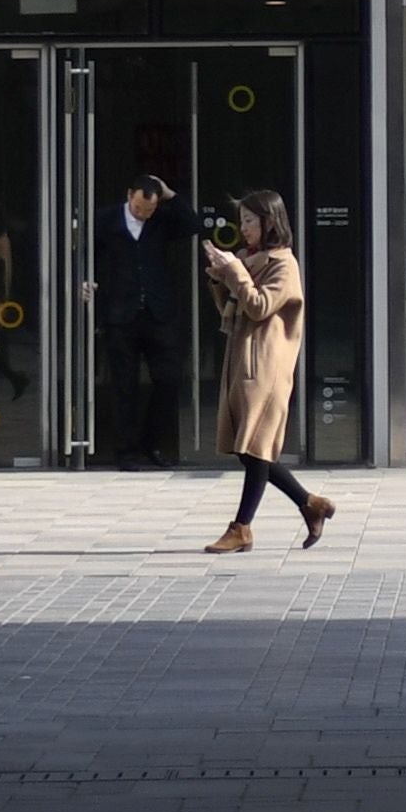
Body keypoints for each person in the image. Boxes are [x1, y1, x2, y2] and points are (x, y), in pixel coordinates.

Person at [200, 196, 336, 548]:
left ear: (269, 223)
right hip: (243, 359)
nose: (244, 228)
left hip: (267, 363)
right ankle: (309, 503)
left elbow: (260, 306)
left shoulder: (283, 264)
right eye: (242, 221)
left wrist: (234, 273)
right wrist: (220, 276)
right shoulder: (247, 260)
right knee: (248, 448)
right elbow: (231, 310)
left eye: (250, 221)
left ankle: (241, 527)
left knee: (256, 445)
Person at [92, 168, 196, 467]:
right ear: (129, 197)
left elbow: (192, 224)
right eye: (139, 209)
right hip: (120, 314)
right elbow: (87, 255)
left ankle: (152, 443)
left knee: (168, 379)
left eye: (149, 209)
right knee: (124, 385)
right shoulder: (105, 219)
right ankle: (126, 451)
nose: (143, 215)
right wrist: (88, 283)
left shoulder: (161, 219)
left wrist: (171, 195)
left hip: (157, 312)